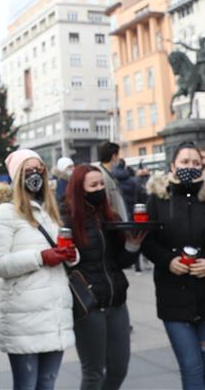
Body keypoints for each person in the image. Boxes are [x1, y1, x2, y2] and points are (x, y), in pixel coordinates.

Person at [0, 149, 77, 390]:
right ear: (17, 176)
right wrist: (40, 257)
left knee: (47, 383)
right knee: (26, 385)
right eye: (28, 171)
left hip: (54, 313)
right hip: (24, 317)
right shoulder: (6, 212)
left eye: (39, 170)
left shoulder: (50, 211)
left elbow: (61, 251)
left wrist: (71, 255)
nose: (35, 175)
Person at [142, 142, 205, 390]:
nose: (190, 167)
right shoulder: (158, 198)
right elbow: (147, 240)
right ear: (172, 166)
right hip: (173, 296)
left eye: (195, 163)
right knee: (191, 366)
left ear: (203, 167)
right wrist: (168, 261)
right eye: (184, 162)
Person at [63, 164, 144, 390]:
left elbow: (119, 262)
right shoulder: (66, 219)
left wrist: (132, 245)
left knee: (119, 369)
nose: (99, 189)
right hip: (89, 306)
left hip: (116, 301)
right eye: (93, 185)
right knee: (93, 373)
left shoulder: (110, 216)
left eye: (102, 184)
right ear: (80, 189)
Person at [98, 142, 129, 221]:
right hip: (114, 223)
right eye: (118, 155)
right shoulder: (102, 176)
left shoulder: (107, 173)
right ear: (114, 156)